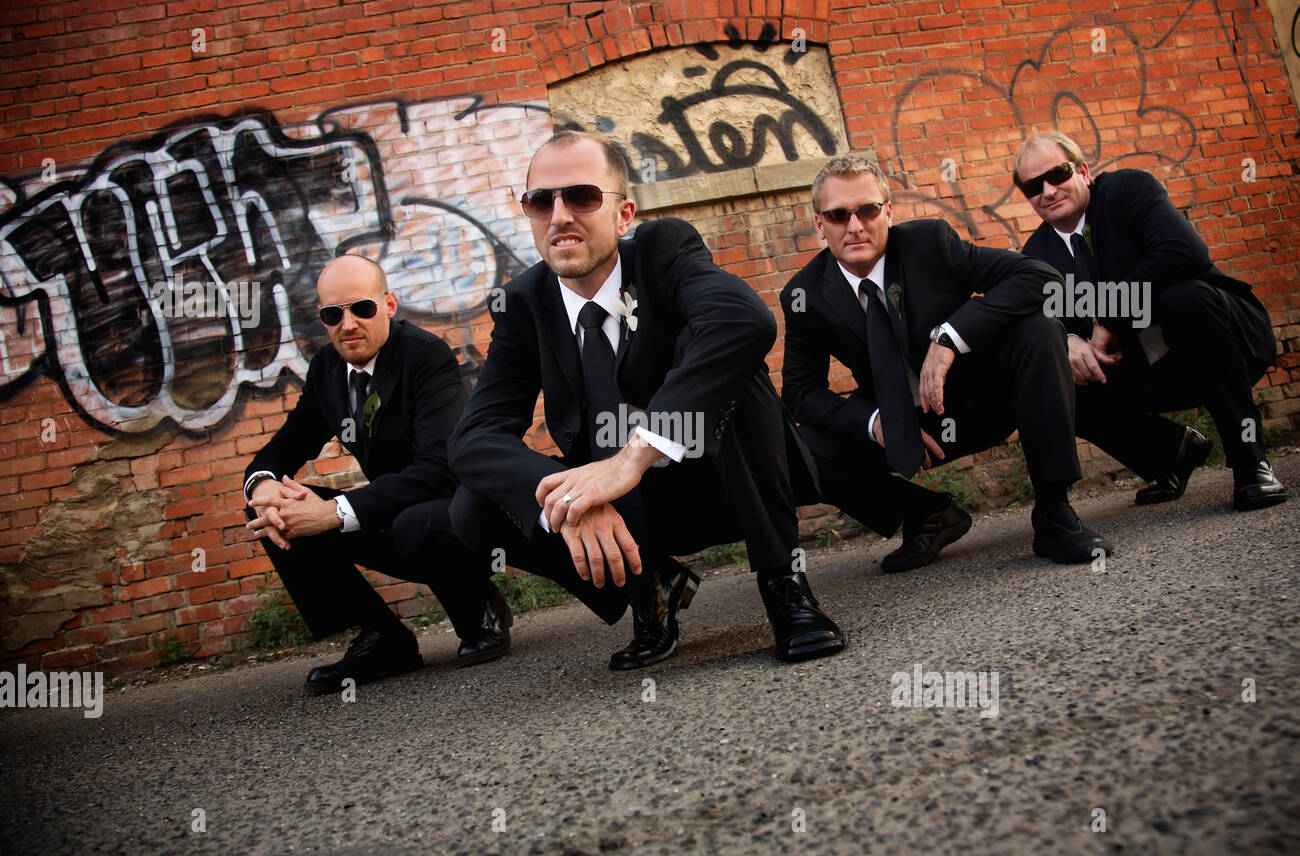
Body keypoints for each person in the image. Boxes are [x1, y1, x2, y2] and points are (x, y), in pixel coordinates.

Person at [448, 130, 845, 669]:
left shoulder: (663, 253)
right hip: (623, 510)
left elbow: (743, 321)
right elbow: (473, 438)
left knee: (734, 367)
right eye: (541, 201)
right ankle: (649, 584)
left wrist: (635, 456)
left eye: (582, 197)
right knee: (474, 505)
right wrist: (566, 507)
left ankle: (784, 583)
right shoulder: (523, 303)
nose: (560, 215)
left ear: (623, 214)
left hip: (717, 483)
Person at [780, 154, 1111, 569]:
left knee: (1040, 329)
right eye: (837, 215)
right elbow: (799, 392)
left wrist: (949, 337)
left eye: (866, 210)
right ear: (818, 223)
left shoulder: (928, 243)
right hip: (904, 429)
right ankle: (927, 514)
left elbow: (1040, 278)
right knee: (801, 447)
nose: (855, 226)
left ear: (888, 211)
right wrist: (875, 421)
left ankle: (1054, 513)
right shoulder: (805, 295)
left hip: (983, 401)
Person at [243, 254, 510, 693]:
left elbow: (438, 471)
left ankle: (481, 608)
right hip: (385, 511)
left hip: (457, 515)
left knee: (414, 521)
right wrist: (264, 485)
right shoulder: (327, 370)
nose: (348, 325)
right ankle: (382, 638)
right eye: (333, 314)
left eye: (361, 309)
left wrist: (333, 513)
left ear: (389, 304)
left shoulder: (425, 357)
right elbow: (284, 447)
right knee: (272, 509)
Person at [1015, 131, 1285, 510]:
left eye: (1057, 175)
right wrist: (1066, 342)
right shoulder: (1036, 256)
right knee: (1052, 373)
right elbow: (1040, 319)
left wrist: (1109, 317)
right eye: (1032, 186)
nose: (1048, 190)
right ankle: (1169, 455)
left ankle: (1250, 460)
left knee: (1185, 297)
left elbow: (1183, 252)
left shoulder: (1127, 190)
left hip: (1217, 344)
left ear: (1083, 171)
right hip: (1139, 374)